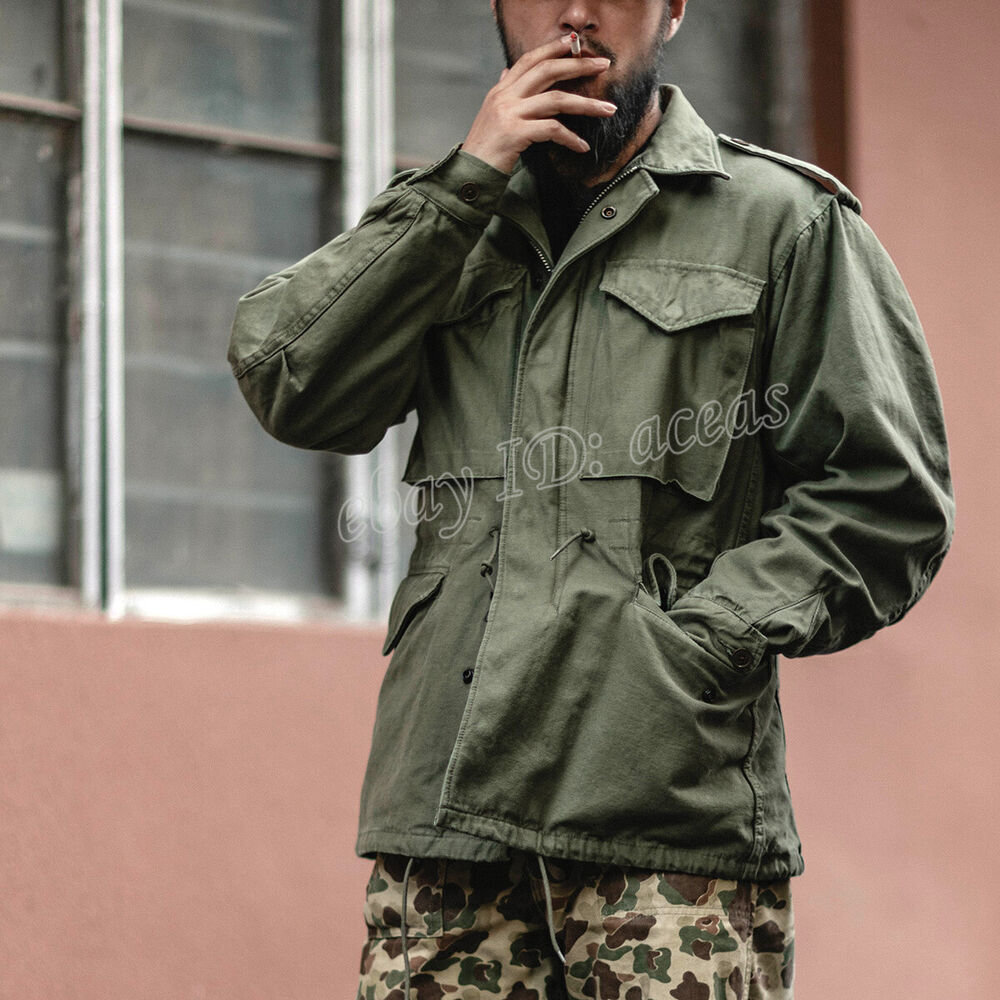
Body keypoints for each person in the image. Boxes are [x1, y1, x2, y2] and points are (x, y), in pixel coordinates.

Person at [227, 1, 954, 997]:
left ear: (673, 9)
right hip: (446, 820)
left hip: (666, 821)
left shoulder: (783, 221)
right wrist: (463, 185)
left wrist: (698, 643)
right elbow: (290, 379)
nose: (573, 12)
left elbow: (885, 496)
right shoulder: (445, 222)